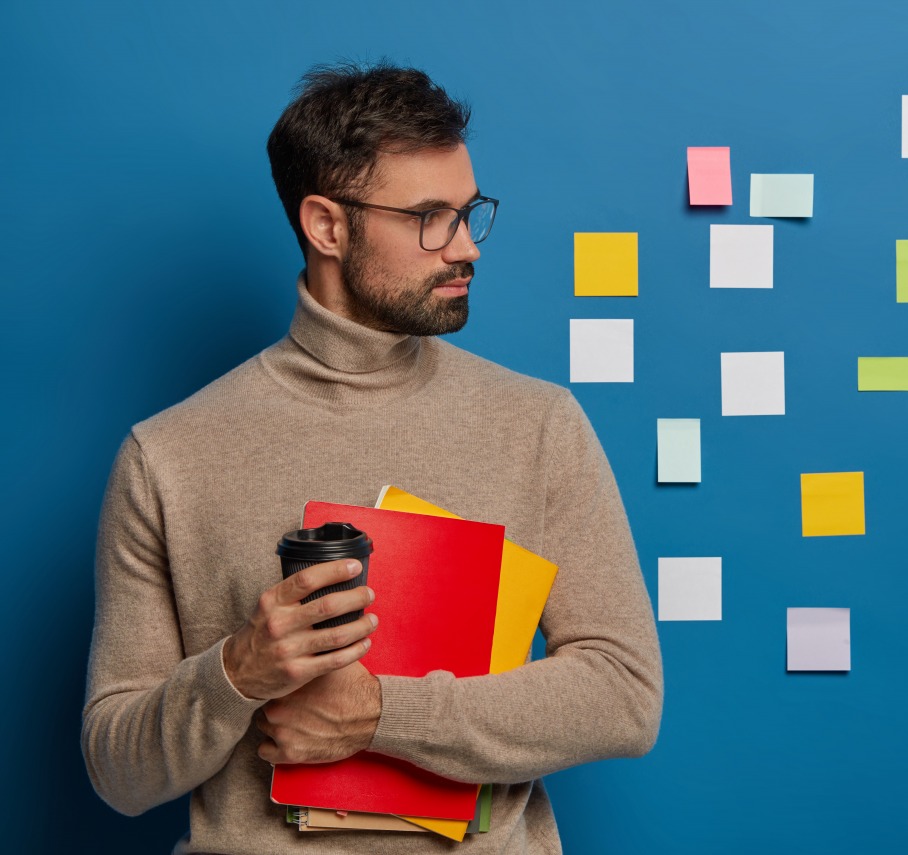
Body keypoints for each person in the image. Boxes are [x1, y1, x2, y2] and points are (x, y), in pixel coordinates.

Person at [81, 62, 663, 853]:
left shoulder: (538, 423)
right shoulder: (167, 455)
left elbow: (624, 695)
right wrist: (239, 671)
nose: (466, 249)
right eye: (429, 217)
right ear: (326, 225)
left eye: (468, 213)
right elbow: (118, 771)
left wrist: (383, 714)